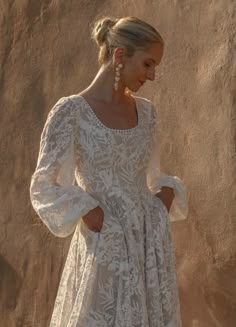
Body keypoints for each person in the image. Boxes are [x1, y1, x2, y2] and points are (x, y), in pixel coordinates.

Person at [30, 16, 188, 327]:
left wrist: (165, 193)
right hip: (104, 246)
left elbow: (151, 175)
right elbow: (43, 186)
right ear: (119, 56)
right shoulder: (70, 112)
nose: (153, 75)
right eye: (147, 64)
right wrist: (87, 209)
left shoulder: (147, 113)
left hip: (145, 246)